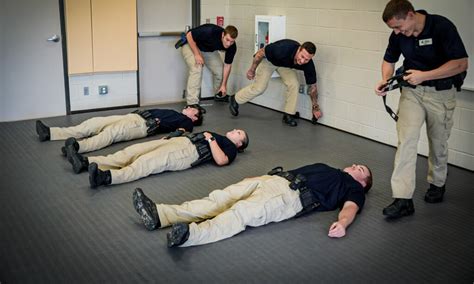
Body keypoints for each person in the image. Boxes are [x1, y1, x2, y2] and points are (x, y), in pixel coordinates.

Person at [375, 0, 468, 219]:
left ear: (410, 14)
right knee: (405, 141)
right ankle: (403, 199)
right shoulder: (398, 35)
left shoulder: (442, 26)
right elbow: (389, 60)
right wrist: (385, 80)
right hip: (412, 92)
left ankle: (437, 183)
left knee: (438, 142)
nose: (397, 32)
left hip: (441, 92)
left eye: (398, 26)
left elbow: (461, 63)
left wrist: (424, 76)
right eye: (393, 29)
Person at [132, 162, 373, 248]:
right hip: (272, 180)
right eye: (356, 164)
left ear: (362, 183)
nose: (354, 166)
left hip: (289, 198)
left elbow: (350, 207)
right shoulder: (329, 168)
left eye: (360, 169)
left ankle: (190, 235)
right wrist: (259, 178)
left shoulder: (352, 188)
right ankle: (161, 215)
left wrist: (342, 224)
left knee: (240, 214)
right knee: (218, 199)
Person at [67, 128, 249, 187]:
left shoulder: (230, 148)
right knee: (133, 151)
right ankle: (87, 162)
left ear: (239, 144)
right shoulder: (222, 137)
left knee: (145, 163)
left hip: (187, 153)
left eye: (238, 133)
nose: (234, 130)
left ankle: (107, 178)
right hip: (179, 142)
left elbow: (221, 160)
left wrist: (210, 139)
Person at [35, 105, 205, 155]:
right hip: (133, 117)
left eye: (193, 109)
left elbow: (181, 132)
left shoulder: (187, 122)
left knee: (110, 135)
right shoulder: (175, 112)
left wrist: (167, 138)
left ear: (195, 117)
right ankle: (50, 133)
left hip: (141, 126)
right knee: (93, 123)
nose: (189, 107)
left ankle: (78, 148)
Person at [228, 39, 322, 127]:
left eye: (306, 59)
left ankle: (288, 115)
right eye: (302, 57)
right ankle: (235, 99)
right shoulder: (282, 49)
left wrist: (315, 106)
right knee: (259, 88)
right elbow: (260, 53)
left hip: (284, 65)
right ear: (299, 49)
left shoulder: (308, 64)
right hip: (269, 61)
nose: (302, 61)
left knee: (294, 84)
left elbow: (313, 87)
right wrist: (252, 69)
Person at [178, 24, 238, 105]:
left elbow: (227, 65)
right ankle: (192, 104)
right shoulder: (210, 31)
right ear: (223, 34)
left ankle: (220, 94)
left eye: (232, 41)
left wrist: (224, 85)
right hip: (190, 44)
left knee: (220, 71)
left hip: (207, 50)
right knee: (197, 68)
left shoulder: (232, 46)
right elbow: (189, 35)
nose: (228, 44)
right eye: (227, 40)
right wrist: (197, 54)